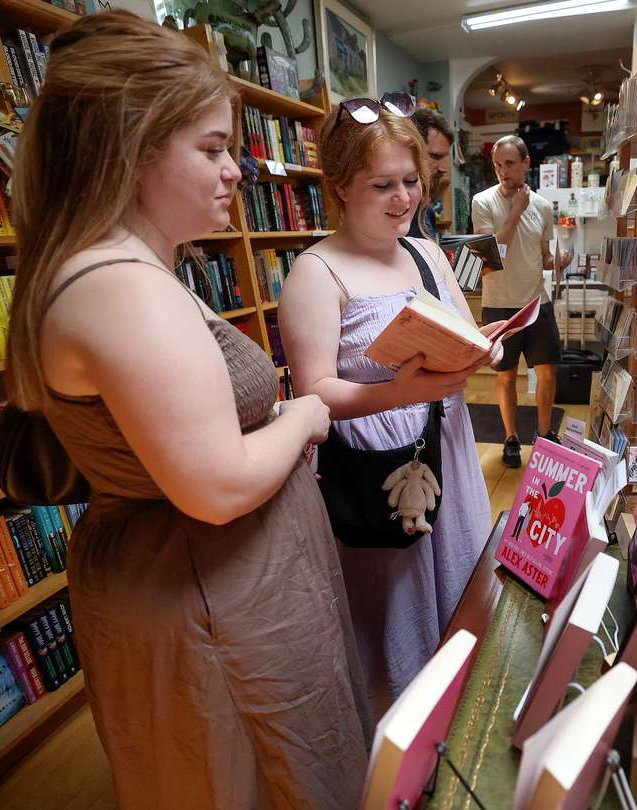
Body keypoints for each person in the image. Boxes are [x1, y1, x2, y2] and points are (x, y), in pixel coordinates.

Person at [5, 12, 371, 808]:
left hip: (225, 588)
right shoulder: (118, 287)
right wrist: (307, 415)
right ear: (131, 149)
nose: (235, 171)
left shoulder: (129, 267)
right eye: (210, 148)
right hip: (207, 600)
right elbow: (214, 486)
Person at [279, 94, 502, 713]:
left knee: (462, 592)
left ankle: (459, 721)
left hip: (448, 455)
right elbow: (315, 395)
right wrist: (399, 391)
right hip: (378, 478)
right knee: (393, 619)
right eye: (383, 185)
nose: (404, 198)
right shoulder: (317, 273)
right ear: (341, 186)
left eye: (412, 181)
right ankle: (399, 747)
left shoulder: (426, 253)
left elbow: (463, 332)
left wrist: (487, 352)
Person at [472, 135, 571, 468]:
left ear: (527, 163)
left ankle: (546, 436)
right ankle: (511, 437)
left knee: (547, 373)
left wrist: (557, 262)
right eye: (497, 165)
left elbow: (542, 256)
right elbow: (492, 255)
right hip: (499, 303)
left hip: (536, 303)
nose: (502, 171)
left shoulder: (543, 206)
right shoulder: (482, 202)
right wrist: (515, 212)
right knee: (505, 375)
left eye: (509, 164)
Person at [408, 107, 454, 241]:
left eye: (445, 158)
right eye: (435, 156)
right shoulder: (397, 212)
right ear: (412, 150)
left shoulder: (428, 213)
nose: (443, 169)